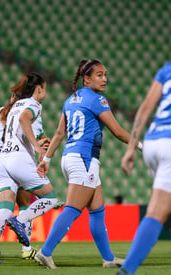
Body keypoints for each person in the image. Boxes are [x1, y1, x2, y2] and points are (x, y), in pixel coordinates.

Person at [35, 59, 142, 269]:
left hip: (71, 157)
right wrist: (141, 146)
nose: (105, 79)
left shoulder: (71, 99)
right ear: (87, 79)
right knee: (73, 209)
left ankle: (109, 259)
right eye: (100, 75)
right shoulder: (97, 100)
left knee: (97, 209)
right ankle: (45, 252)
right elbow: (118, 131)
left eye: (106, 75)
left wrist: (47, 158)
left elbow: (59, 134)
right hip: (83, 158)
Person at [0, 73, 60, 264]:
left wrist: (38, 141)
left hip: (3, 160)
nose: (45, 93)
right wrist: (39, 147)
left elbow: (18, 129)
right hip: (18, 159)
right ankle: (22, 220)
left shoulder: (14, 105)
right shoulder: (33, 105)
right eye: (44, 88)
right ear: (38, 89)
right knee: (51, 198)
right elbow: (25, 120)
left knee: (5, 208)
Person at [117, 62, 171, 275]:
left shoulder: (167, 69)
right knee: (157, 212)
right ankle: (127, 271)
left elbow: (146, 107)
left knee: (161, 208)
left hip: (152, 142)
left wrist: (131, 147)